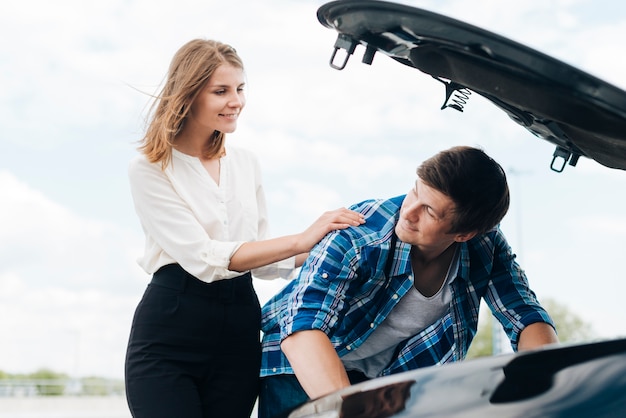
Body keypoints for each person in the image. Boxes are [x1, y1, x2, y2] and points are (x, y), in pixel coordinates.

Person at [124, 39, 365, 418]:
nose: (236, 101)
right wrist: (300, 237)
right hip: (171, 330)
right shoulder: (150, 167)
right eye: (221, 91)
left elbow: (262, 259)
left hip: (238, 332)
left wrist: (337, 243)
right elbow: (204, 257)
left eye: (239, 89)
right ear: (187, 96)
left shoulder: (246, 163)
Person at [259, 146, 559, 418]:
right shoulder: (359, 231)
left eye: (428, 210)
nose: (408, 212)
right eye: (415, 192)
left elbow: (526, 317)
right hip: (301, 364)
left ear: (464, 234)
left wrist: (548, 391)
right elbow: (302, 332)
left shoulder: (486, 248)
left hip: (386, 380)